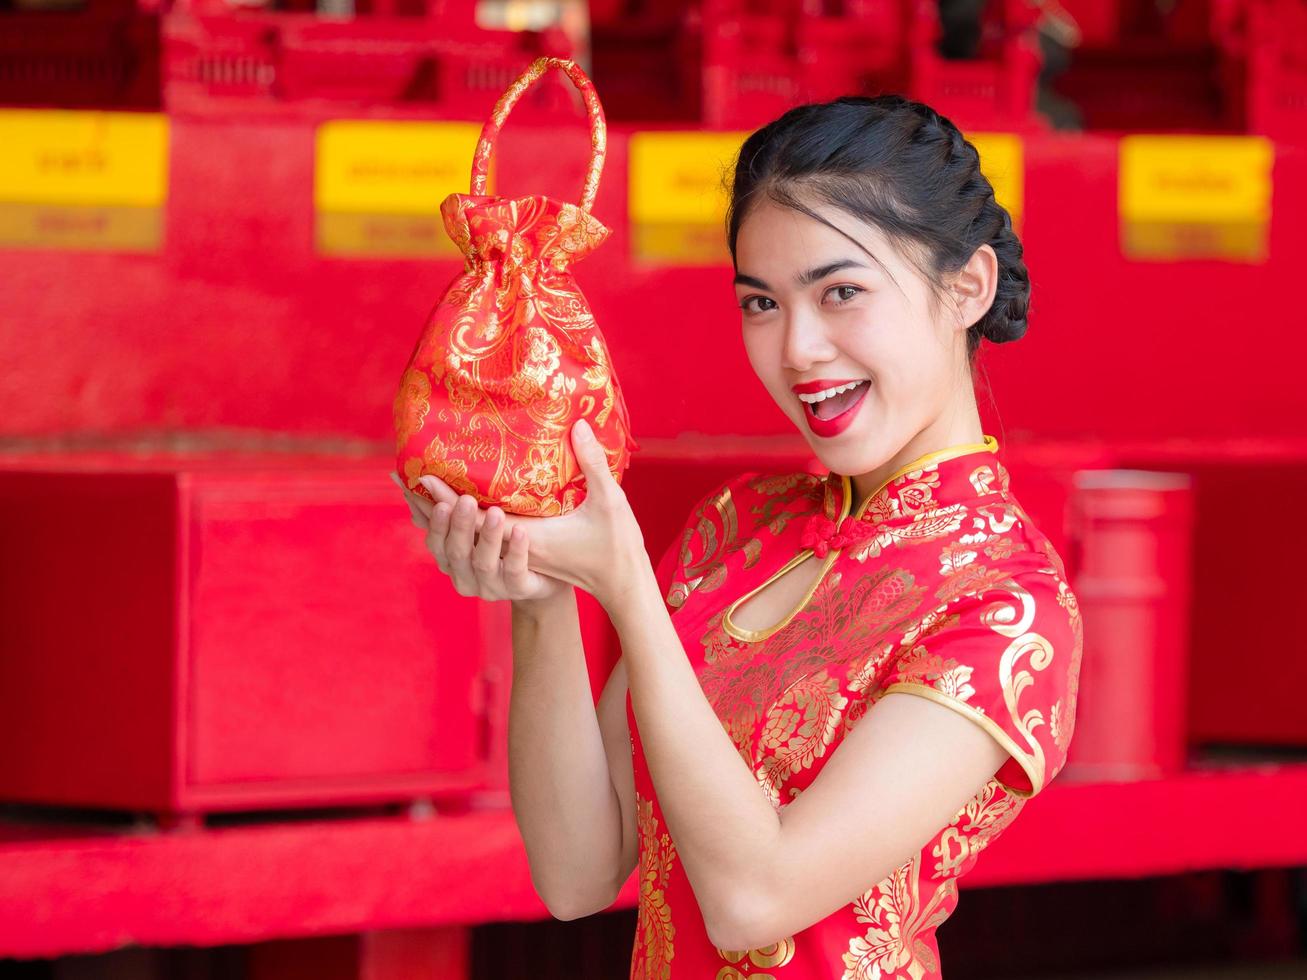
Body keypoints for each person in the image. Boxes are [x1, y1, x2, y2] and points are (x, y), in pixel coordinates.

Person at [393, 93, 1083, 979]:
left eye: (840, 292)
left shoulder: (1003, 604)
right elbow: (575, 872)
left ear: (966, 289)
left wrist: (628, 585)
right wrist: (544, 600)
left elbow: (754, 900)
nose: (797, 349)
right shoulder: (739, 525)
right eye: (761, 302)